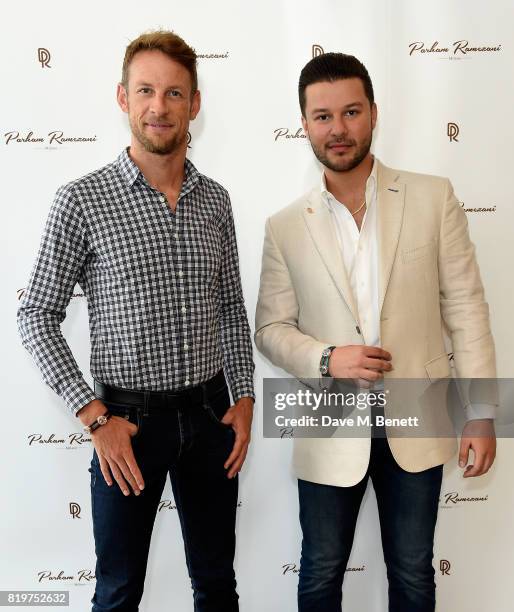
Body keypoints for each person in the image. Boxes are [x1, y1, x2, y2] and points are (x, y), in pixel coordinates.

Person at [18, 30, 254, 612]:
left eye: (175, 93)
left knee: (218, 587)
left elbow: (230, 307)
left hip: (209, 419)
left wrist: (244, 397)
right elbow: (35, 314)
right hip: (126, 427)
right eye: (146, 90)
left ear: (194, 104)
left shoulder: (216, 201)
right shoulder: (82, 201)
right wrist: (95, 417)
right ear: (122, 98)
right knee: (119, 592)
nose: (159, 106)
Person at [254, 52, 496, 612]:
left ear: (373, 114)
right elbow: (269, 328)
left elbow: (466, 307)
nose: (337, 129)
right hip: (328, 421)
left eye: (350, 112)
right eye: (322, 116)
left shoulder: (433, 198)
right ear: (305, 124)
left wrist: (482, 412)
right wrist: (325, 357)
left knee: (413, 573)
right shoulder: (285, 226)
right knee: (319, 574)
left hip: (418, 413)